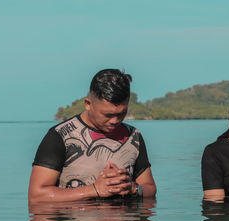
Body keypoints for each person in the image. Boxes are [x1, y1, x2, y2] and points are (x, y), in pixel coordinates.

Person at [29, 69, 156, 204]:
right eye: (107, 115)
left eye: (121, 114)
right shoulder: (60, 136)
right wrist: (94, 190)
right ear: (88, 104)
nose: (114, 121)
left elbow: (150, 188)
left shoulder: (133, 137)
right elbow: (36, 196)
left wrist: (132, 188)